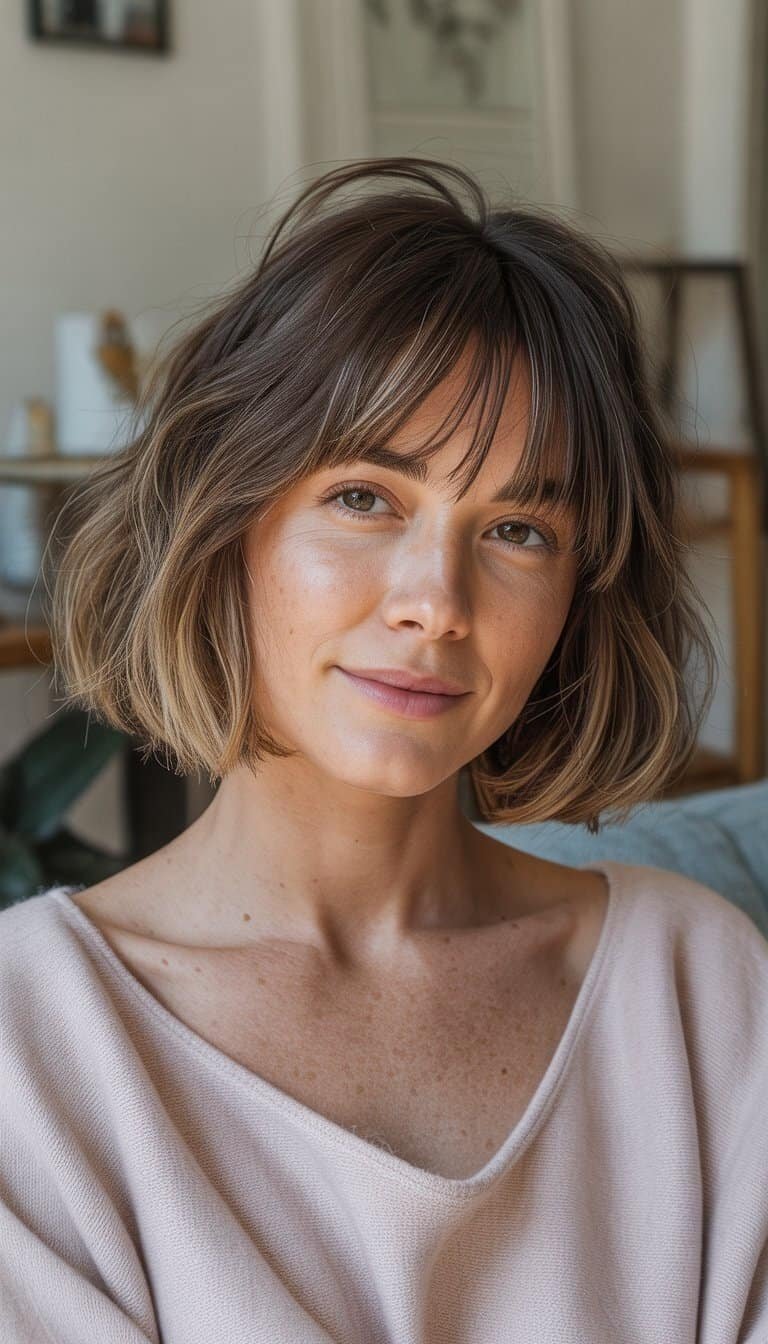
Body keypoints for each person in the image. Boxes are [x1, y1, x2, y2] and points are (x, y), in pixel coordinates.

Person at [2, 157, 766, 1343]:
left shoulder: (701, 988)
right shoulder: (31, 1047)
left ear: (577, 596)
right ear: (226, 516)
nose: (436, 602)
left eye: (517, 528)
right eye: (365, 498)